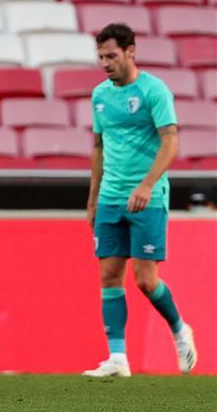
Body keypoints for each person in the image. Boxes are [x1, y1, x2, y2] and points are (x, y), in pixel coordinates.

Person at [83, 23, 197, 377]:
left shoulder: (154, 91)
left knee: (145, 280)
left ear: (131, 52)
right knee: (109, 276)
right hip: (110, 198)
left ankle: (180, 329)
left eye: (112, 56)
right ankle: (117, 358)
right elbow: (99, 147)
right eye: (101, 56)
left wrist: (147, 185)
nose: (105, 63)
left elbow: (171, 142)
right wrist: (92, 198)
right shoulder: (99, 95)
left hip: (148, 198)